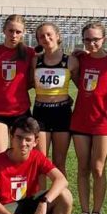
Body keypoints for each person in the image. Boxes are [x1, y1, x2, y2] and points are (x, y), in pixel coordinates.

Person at [70, 21, 107, 214]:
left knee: (98, 168)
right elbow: (78, 82)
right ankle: (84, 212)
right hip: (80, 120)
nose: (91, 43)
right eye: (87, 40)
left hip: (103, 122)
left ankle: (97, 213)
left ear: (104, 39)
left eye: (96, 39)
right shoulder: (80, 59)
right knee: (83, 167)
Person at [31, 22, 78, 175]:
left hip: (62, 113)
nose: (46, 38)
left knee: (59, 162)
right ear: (38, 40)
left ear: (57, 36)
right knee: (40, 161)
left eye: (49, 34)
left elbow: (83, 87)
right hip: (40, 113)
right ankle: (40, 191)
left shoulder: (71, 61)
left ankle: (60, 191)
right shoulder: (35, 61)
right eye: (41, 36)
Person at [0, 15, 35, 156]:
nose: (14, 35)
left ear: (23, 33)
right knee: (1, 157)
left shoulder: (30, 53)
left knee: (22, 156)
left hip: (22, 111)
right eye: (11, 31)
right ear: (4, 30)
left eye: (18, 32)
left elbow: (32, 81)